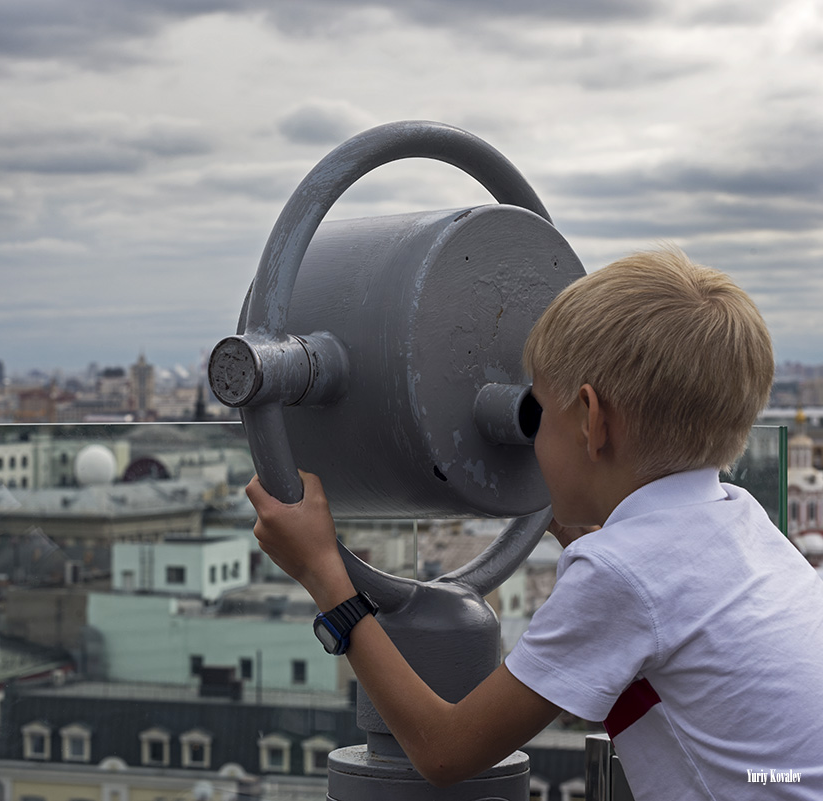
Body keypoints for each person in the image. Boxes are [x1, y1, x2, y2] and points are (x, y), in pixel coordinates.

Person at [247, 248, 823, 799]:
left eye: (539, 412)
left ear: (592, 421)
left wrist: (325, 574)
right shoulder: (743, 518)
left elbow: (445, 752)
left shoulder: (620, 574)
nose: (529, 436)